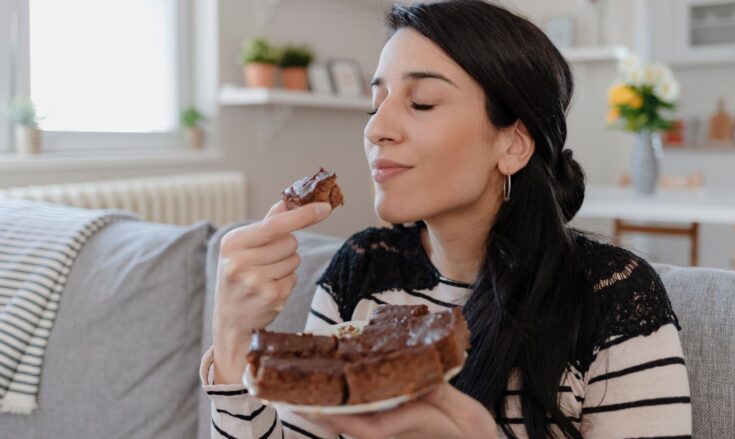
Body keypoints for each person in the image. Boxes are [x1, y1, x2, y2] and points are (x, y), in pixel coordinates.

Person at [201, 1, 692, 438]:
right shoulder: (362, 270)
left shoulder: (612, 295)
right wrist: (230, 333)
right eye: (375, 105)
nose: (375, 128)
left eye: (422, 103)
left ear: (513, 144)